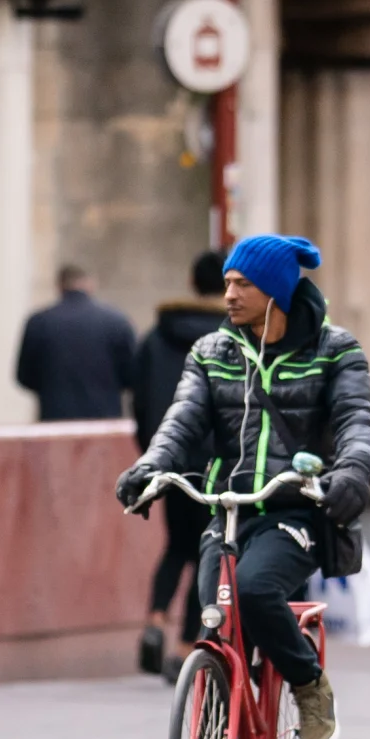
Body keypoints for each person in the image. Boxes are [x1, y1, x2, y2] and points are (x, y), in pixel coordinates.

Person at [117, 233, 370, 739]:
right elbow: (182, 420)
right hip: (228, 509)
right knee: (215, 621)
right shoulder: (212, 351)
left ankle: (308, 685)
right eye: (228, 283)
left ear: (276, 292)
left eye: (243, 284)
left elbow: (357, 421)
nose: (229, 294)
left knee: (256, 590)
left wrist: (351, 472)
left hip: (296, 512)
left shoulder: (336, 350)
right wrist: (150, 466)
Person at [133, 253, 227, 677]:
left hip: (171, 461)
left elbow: (138, 400)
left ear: (191, 280)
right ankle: (187, 643)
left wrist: (152, 454)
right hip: (217, 464)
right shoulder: (233, 336)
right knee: (207, 550)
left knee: (176, 547)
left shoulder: (157, 335)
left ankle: (154, 618)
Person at [14, 262, 140, 424]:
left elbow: (24, 376)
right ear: (91, 283)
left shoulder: (38, 322)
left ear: (59, 285)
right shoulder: (117, 321)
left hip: (54, 420)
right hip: (104, 420)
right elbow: (132, 375)